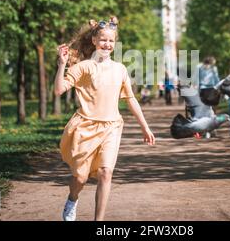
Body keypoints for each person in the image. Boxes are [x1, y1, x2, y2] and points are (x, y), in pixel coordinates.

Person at [54, 16, 155, 221]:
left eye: (111, 41)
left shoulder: (120, 69)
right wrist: (61, 65)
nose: (107, 44)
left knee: (106, 172)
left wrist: (145, 127)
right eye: (103, 40)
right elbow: (58, 90)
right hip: (86, 126)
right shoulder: (83, 67)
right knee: (80, 177)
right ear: (94, 41)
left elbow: (131, 99)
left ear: (115, 43)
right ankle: (72, 199)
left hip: (111, 127)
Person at [196, 56, 220, 138]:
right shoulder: (214, 68)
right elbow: (217, 80)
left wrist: (197, 91)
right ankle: (212, 129)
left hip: (203, 90)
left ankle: (206, 131)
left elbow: (197, 80)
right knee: (212, 110)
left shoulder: (199, 67)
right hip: (212, 90)